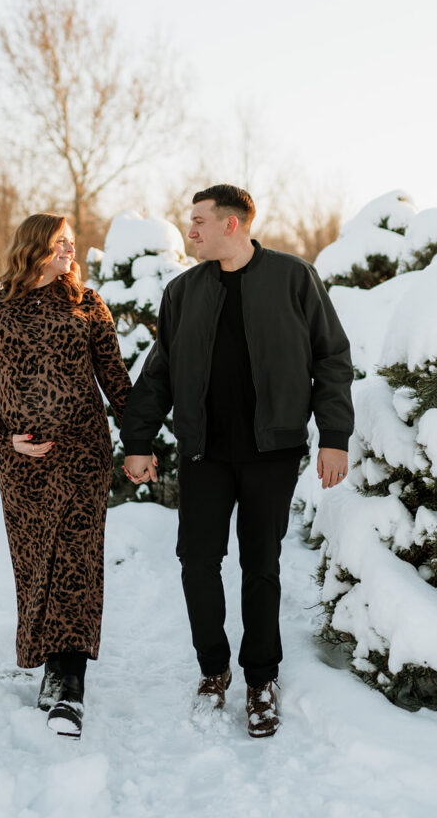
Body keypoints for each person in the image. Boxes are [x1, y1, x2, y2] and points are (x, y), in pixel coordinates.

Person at [121, 184, 354, 738]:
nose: (191, 231)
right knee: (197, 563)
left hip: (271, 452)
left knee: (261, 566)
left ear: (232, 225)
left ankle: (261, 678)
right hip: (204, 453)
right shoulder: (183, 292)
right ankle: (212, 669)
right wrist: (138, 440)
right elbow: (159, 374)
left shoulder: (294, 278)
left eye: (199, 221)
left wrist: (334, 435)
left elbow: (332, 357)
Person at [0, 213, 131, 739]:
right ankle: (48, 663)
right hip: (20, 464)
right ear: (34, 246)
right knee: (35, 557)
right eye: (61, 242)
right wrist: (1, 435)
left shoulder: (87, 303)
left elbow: (116, 383)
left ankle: (69, 682)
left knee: (77, 559)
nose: (70, 249)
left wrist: (144, 439)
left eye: (72, 243)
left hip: (82, 454)